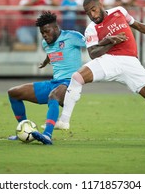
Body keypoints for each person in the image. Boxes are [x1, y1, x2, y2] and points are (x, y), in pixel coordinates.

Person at [52, 0, 145, 145]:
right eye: (88, 12)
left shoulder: (119, 11)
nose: (92, 15)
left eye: (94, 10)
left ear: (100, 5)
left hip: (131, 62)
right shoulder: (91, 28)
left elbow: (137, 25)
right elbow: (93, 53)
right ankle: (64, 120)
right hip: (110, 60)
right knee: (77, 77)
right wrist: (110, 41)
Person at [7, 11, 86, 145]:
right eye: (42, 32)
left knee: (53, 96)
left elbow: (92, 44)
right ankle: (24, 129)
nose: (44, 35)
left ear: (56, 28)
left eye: (47, 31)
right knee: (13, 93)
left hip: (70, 83)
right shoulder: (45, 43)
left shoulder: (73, 36)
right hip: (54, 83)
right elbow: (52, 53)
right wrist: (45, 61)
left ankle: (47, 135)